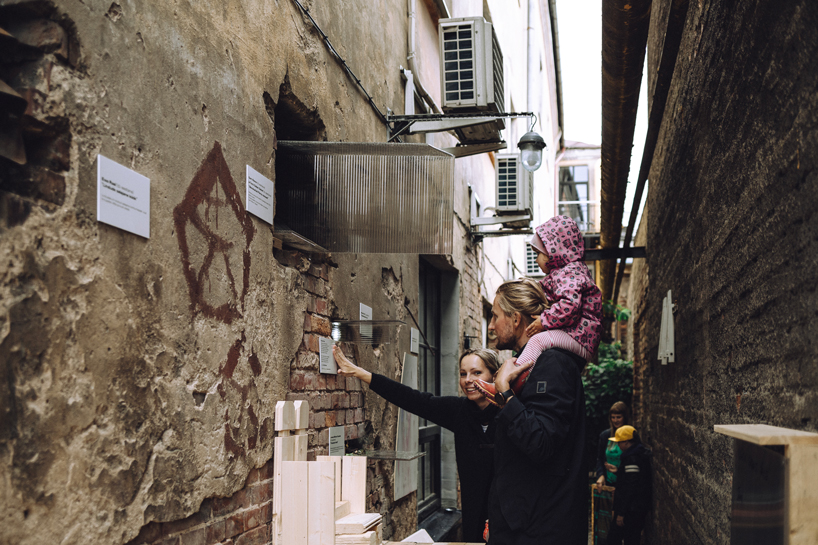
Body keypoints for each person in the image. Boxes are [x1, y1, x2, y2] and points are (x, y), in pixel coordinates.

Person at [332, 345, 500, 543]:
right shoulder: (459, 411)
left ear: (494, 375)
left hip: (510, 516)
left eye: (477, 372)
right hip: (473, 517)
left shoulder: (511, 412)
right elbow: (412, 399)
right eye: (463, 374)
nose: (468, 380)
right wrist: (361, 373)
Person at [485, 278, 587, 545]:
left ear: (516, 319)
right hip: (523, 524)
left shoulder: (553, 362)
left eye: (495, 316)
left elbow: (540, 442)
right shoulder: (532, 364)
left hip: (538, 531)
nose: (491, 326)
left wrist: (506, 394)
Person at [475, 215, 603, 402]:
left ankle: (507, 384)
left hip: (582, 338)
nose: (536, 260)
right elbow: (545, 290)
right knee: (539, 342)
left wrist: (545, 321)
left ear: (554, 252)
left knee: (538, 341)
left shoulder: (570, 273)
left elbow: (570, 305)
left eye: (539, 254)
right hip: (579, 336)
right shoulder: (562, 273)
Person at [606, 425, 652, 545]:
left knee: (622, 538)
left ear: (626, 442)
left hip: (630, 511)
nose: (618, 446)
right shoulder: (636, 454)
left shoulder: (632, 458)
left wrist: (621, 513)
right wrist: (618, 471)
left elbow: (631, 487)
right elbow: (633, 477)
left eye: (619, 442)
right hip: (634, 509)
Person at [595, 401, 630, 490]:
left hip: (625, 483)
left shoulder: (630, 436)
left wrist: (619, 471)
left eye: (618, 417)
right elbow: (600, 458)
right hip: (608, 482)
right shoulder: (605, 436)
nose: (615, 420)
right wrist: (601, 475)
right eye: (613, 417)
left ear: (624, 418)